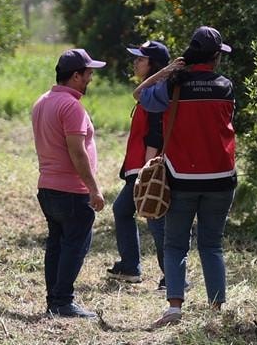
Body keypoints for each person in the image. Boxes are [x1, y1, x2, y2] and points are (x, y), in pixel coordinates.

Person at [134, 26, 237, 328]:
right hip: (222, 177)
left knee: (176, 244)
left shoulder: (174, 86)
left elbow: (139, 95)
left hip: (182, 177)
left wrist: (166, 71)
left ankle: (174, 308)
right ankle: (216, 308)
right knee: (212, 245)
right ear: (216, 57)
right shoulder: (226, 86)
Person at [31, 48, 107, 319]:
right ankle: (63, 302)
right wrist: (94, 188)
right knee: (75, 246)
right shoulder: (72, 106)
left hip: (47, 187)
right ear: (76, 75)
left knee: (56, 244)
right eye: (88, 74)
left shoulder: (43, 101)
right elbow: (77, 151)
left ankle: (54, 300)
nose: (90, 79)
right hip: (71, 190)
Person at [107, 40, 171, 288]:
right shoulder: (152, 89)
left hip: (146, 167)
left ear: (153, 64)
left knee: (155, 219)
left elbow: (156, 133)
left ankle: (172, 277)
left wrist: (148, 170)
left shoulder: (156, 92)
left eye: (141, 59)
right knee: (124, 210)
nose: (135, 62)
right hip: (139, 167)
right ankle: (130, 267)